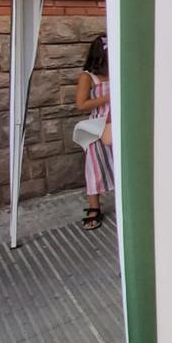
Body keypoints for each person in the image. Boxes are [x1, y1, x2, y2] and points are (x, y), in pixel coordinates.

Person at [74, 34, 113, 231]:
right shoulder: (88, 77)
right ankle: (94, 207)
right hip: (98, 126)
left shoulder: (118, 71)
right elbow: (81, 104)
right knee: (95, 167)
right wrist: (109, 96)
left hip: (117, 124)